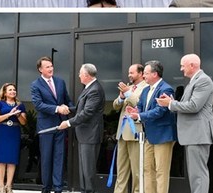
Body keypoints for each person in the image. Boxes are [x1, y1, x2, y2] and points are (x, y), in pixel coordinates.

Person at [156, 54, 213, 193]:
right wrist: (171, 102)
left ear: (192, 65)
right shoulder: (195, 81)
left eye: (183, 65)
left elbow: (194, 106)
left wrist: (170, 103)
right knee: (195, 175)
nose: (181, 69)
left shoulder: (203, 81)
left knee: (198, 175)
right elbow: (187, 104)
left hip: (198, 135)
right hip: (193, 135)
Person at [128, 60, 177, 193]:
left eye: (146, 73)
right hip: (149, 135)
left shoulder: (166, 89)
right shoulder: (145, 90)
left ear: (155, 74)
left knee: (161, 171)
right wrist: (135, 111)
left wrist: (139, 116)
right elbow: (140, 106)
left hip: (163, 136)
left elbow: (160, 111)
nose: (143, 76)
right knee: (147, 168)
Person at [58, 64, 105, 193]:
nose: (78, 75)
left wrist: (68, 123)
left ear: (86, 75)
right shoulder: (88, 88)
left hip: (90, 135)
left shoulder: (95, 90)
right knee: (84, 170)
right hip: (84, 135)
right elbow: (82, 109)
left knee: (88, 170)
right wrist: (69, 110)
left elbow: (87, 113)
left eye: (80, 73)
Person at [31, 56, 73, 193]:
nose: (51, 68)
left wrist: (69, 108)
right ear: (40, 69)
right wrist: (57, 109)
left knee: (59, 157)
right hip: (46, 127)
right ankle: (46, 188)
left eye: (51, 66)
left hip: (61, 126)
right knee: (46, 158)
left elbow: (67, 100)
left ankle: (58, 188)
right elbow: (38, 105)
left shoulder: (60, 82)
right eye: (47, 66)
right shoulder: (35, 85)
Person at [113, 64, 147, 193]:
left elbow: (140, 104)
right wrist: (121, 97)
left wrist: (128, 93)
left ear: (141, 73)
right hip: (122, 133)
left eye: (132, 73)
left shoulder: (146, 87)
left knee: (137, 170)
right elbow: (116, 106)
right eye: (128, 73)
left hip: (135, 134)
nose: (129, 75)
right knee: (121, 170)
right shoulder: (129, 87)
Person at [0, 83, 27, 193]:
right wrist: (9, 114)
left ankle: (9, 185)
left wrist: (18, 115)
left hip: (14, 132)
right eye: (10, 90)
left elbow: (24, 122)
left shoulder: (20, 105)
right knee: (1, 159)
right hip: (2, 131)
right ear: (5, 92)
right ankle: (1, 185)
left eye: (14, 89)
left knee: (12, 159)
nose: (13, 91)